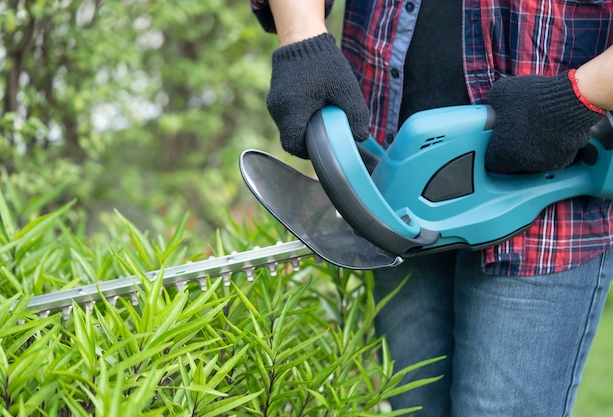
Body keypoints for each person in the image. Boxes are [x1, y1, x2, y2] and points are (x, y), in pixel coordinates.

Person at [250, 1, 613, 416]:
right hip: (388, 183)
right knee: (412, 406)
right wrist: (302, 37)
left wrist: (578, 97)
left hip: (547, 185)